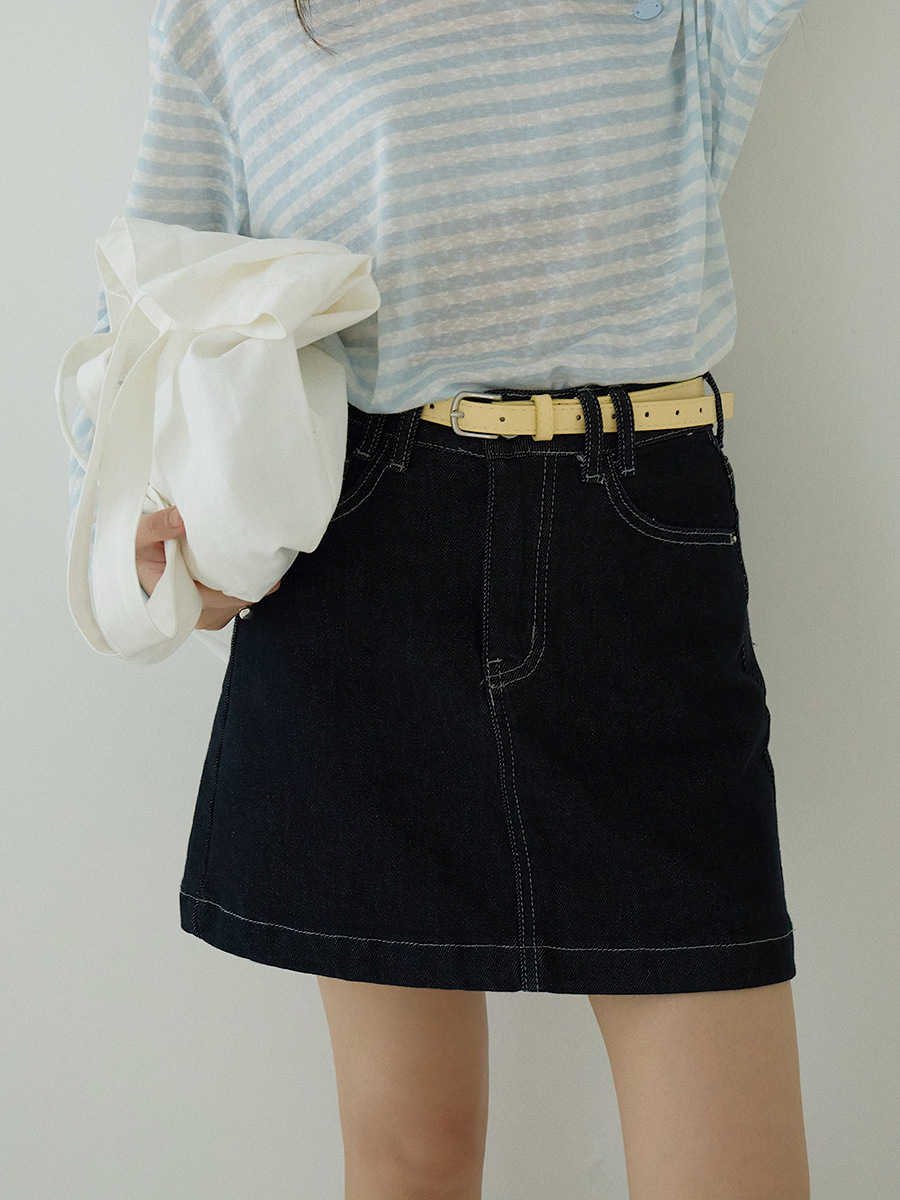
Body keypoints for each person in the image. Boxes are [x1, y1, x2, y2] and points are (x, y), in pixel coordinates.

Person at [67, 2, 815, 1196]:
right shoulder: (235, 18)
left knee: (732, 1165)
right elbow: (152, 293)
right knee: (408, 1149)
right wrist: (138, 527)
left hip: (638, 551)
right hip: (365, 555)